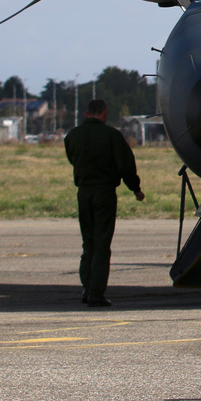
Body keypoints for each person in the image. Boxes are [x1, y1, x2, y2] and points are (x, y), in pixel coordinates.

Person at [64, 99, 144, 306]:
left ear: (86, 114)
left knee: (88, 242)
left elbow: (72, 158)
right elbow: (126, 165)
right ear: (105, 113)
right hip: (104, 192)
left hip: (83, 192)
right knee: (102, 243)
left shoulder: (72, 135)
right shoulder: (112, 136)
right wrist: (135, 188)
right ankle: (96, 292)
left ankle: (86, 286)